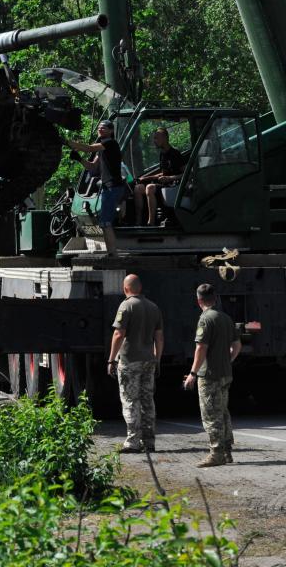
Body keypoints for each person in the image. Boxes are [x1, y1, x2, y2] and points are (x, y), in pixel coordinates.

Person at [184, 283, 241, 467]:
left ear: (199, 300)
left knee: (211, 414)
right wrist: (228, 359)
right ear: (215, 298)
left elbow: (201, 348)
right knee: (223, 412)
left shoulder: (205, 319)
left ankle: (216, 453)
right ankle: (227, 452)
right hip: (225, 373)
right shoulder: (225, 318)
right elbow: (237, 345)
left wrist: (193, 373)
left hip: (209, 375)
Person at [109, 274, 164, 453]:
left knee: (130, 400)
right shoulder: (154, 307)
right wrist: (157, 358)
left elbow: (119, 334)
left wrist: (111, 358)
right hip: (149, 360)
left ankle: (133, 441)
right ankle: (149, 441)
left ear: (126, 289)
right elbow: (159, 337)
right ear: (140, 288)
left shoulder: (126, 306)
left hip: (129, 360)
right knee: (147, 399)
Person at [66, 120, 123, 256]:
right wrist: (79, 159)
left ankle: (113, 254)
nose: (100, 129)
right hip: (107, 188)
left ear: (111, 131)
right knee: (104, 222)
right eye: (99, 128)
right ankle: (111, 253)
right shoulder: (102, 149)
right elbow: (92, 168)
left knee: (105, 222)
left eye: (103, 128)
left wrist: (67, 142)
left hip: (113, 187)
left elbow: (89, 148)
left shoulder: (110, 143)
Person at [134, 127, 186, 225]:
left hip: (174, 186)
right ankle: (138, 222)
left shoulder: (176, 154)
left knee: (150, 188)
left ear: (165, 138)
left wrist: (170, 178)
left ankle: (151, 222)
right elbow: (163, 173)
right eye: (154, 138)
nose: (154, 141)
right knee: (138, 188)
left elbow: (186, 174)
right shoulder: (162, 154)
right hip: (163, 184)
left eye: (157, 138)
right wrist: (146, 178)